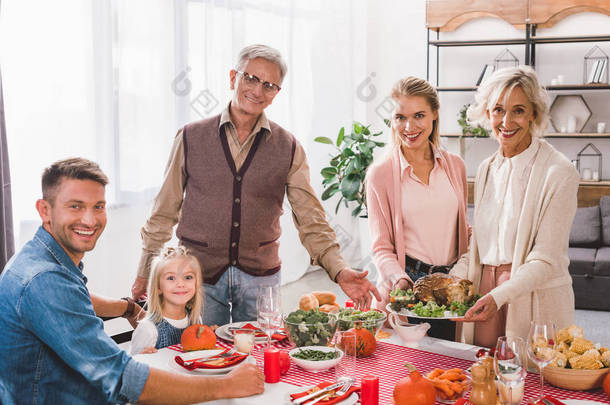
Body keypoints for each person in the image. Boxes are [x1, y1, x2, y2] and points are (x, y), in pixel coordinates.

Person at [131, 44, 381, 324]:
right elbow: (164, 210)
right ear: (232, 78)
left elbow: (310, 219)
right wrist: (145, 270)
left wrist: (339, 269)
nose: (257, 90)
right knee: (199, 357)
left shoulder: (288, 147)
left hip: (260, 279)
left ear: (276, 94)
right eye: (249, 78)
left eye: (269, 85)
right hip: (196, 275)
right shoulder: (190, 137)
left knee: (259, 358)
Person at [0, 158, 263, 405]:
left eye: (98, 207)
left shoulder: (38, 259)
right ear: (45, 210)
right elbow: (123, 381)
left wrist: (126, 308)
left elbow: (72, 297)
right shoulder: (44, 281)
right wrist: (227, 386)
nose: (90, 220)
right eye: (75, 206)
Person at [450, 66, 579, 347]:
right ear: (487, 113)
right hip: (484, 292)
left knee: (529, 383)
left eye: (518, 110)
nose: (506, 121)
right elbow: (478, 248)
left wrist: (499, 295)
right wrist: (448, 281)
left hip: (531, 296)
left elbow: (546, 259)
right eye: (498, 109)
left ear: (534, 113)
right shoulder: (486, 169)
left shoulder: (560, 172)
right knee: (481, 380)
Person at [366, 76, 470, 340]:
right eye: (400, 117)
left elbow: (461, 229)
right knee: (406, 371)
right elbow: (381, 247)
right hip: (408, 284)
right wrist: (399, 279)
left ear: (435, 114)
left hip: (451, 285)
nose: (409, 126)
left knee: (449, 367)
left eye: (419, 115)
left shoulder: (455, 166)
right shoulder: (380, 174)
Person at [131, 246, 204, 355]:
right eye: (171, 278)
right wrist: (143, 358)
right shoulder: (148, 329)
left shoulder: (195, 320)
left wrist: (210, 337)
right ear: (158, 287)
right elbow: (132, 368)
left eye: (188, 277)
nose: (180, 284)